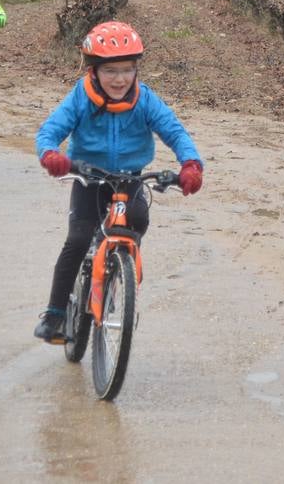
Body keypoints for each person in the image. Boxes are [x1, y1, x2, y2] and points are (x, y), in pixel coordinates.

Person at [31, 21, 203, 344]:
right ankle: (55, 313)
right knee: (79, 238)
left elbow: (175, 131)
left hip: (130, 178)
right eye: (111, 71)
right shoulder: (80, 97)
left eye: (127, 69)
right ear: (94, 71)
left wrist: (191, 165)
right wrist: (51, 155)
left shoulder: (145, 100)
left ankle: (115, 272)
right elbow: (50, 131)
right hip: (89, 177)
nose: (120, 79)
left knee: (138, 218)